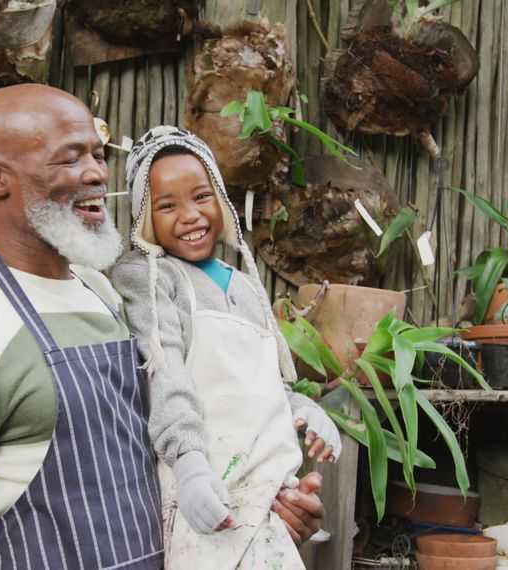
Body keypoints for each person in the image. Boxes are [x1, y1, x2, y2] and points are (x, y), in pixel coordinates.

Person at [0, 84, 325, 570]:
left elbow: (187, 428)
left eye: (97, 153)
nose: (96, 173)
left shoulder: (105, 293)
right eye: (69, 159)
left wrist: (260, 517)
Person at [110, 127, 342, 569]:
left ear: (220, 196)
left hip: (263, 499)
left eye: (201, 196)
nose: (190, 215)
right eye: (167, 205)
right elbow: (166, 372)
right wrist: (189, 464)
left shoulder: (244, 285)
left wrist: (305, 410)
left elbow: (262, 385)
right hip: (204, 494)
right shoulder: (151, 276)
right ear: (143, 216)